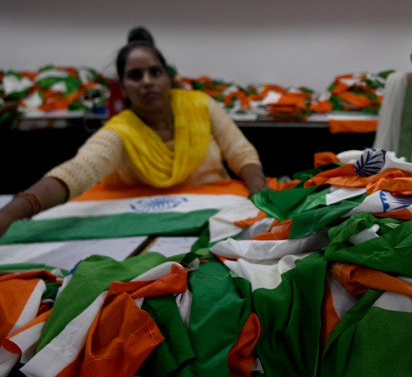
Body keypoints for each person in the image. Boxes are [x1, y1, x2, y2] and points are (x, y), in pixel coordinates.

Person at [0, 34, 267, 237]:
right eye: (135, 76)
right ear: (124, 89)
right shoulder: (121, 131)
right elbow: (79, 170)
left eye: (155, 72)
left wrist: (258, 191)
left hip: (213, 219)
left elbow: (240, 152)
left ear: (168, 77)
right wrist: (14, 211)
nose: (147, 81)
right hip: (144, 228)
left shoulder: (201, 105)